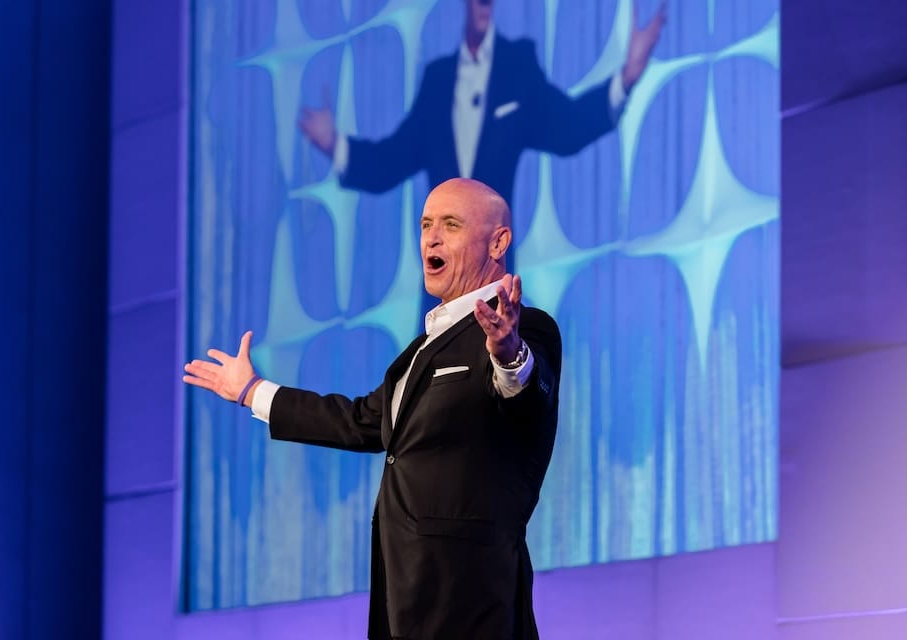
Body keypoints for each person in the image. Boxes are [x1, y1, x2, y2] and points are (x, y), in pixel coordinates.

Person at [184, 178, 562, 639]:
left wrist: (508, 353)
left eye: (450, 225)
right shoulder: (420, 351)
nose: (431, 238)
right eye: (425, 225)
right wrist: (253, 390)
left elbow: (528, 398)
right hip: (402, 595)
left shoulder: (526, 330)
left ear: (498, 242)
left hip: (471, 597)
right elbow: (359, 422)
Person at [299, 0, 666, 216]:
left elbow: (567, 129)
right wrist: (334, 144)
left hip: (495, 278)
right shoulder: (438, 80)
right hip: (441, 285)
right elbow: (391, 161)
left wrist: (626, 78)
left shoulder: (517, 65)